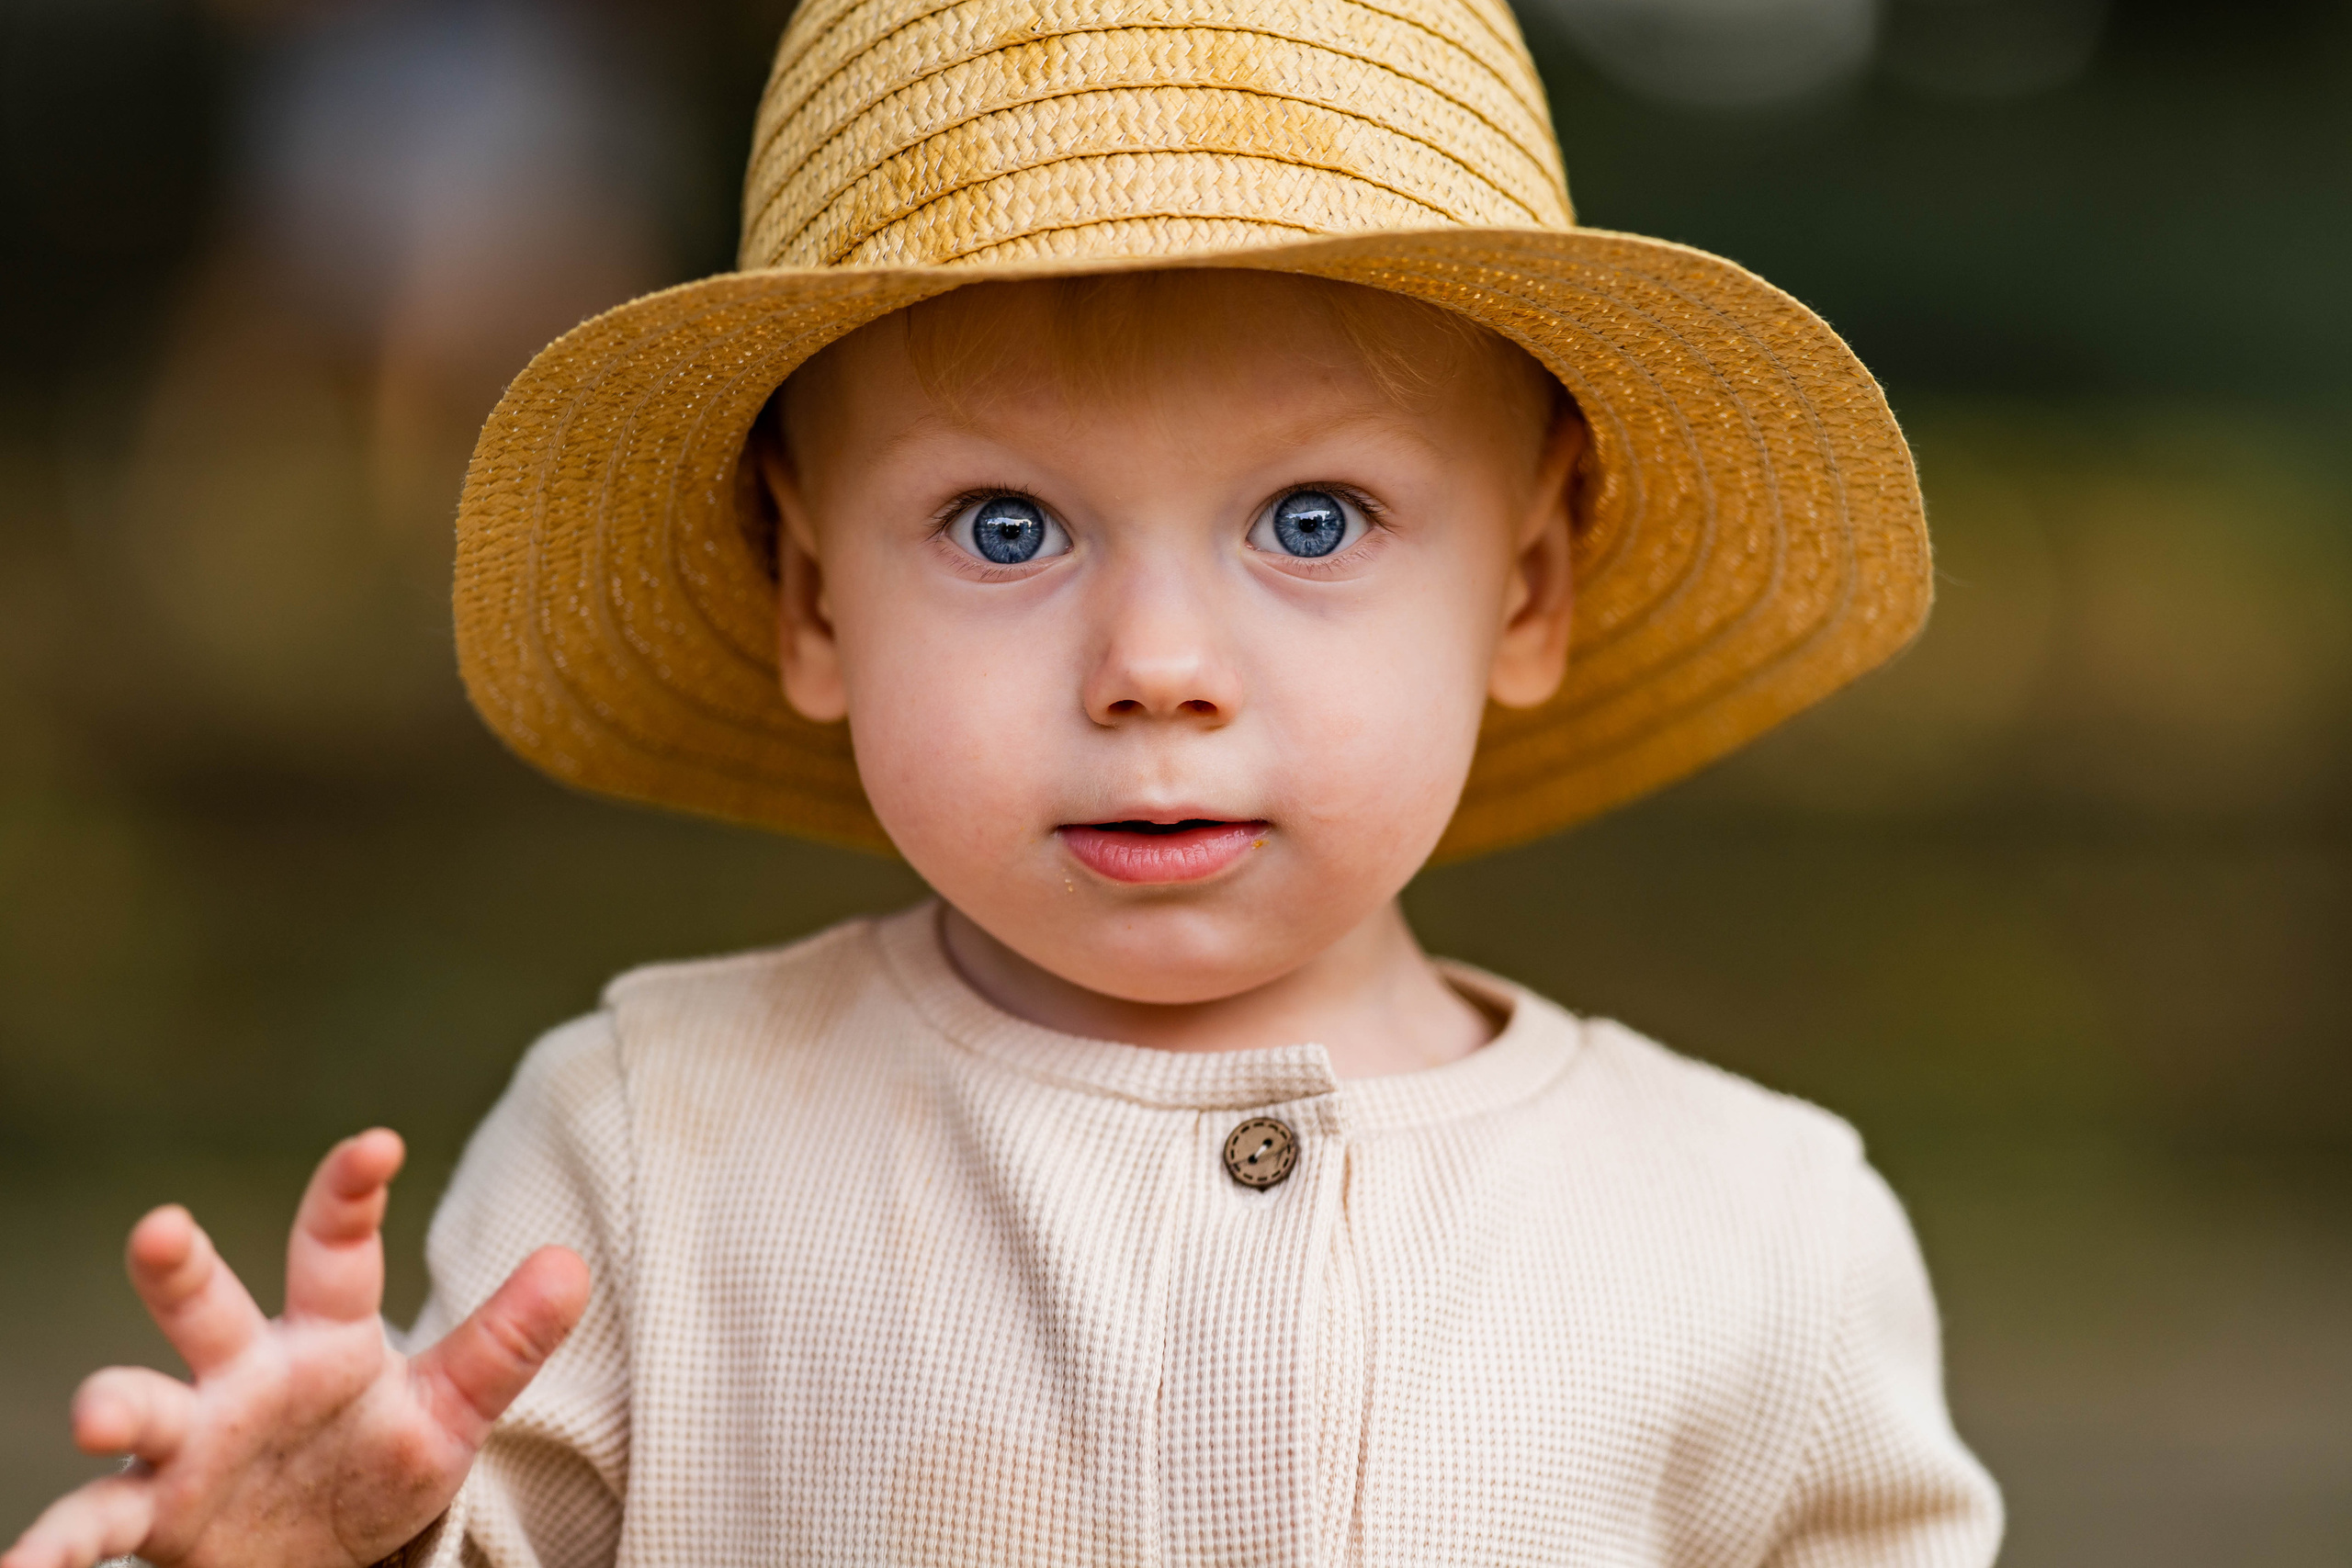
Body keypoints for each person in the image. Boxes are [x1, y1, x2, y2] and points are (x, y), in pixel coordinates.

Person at [5, 0, 2004, 1562]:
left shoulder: (1753, 1231)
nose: (1153, 667)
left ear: (1529, 583)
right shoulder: (643, 1155)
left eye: (1312, 519)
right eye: (1002, 524)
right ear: (810, 595)